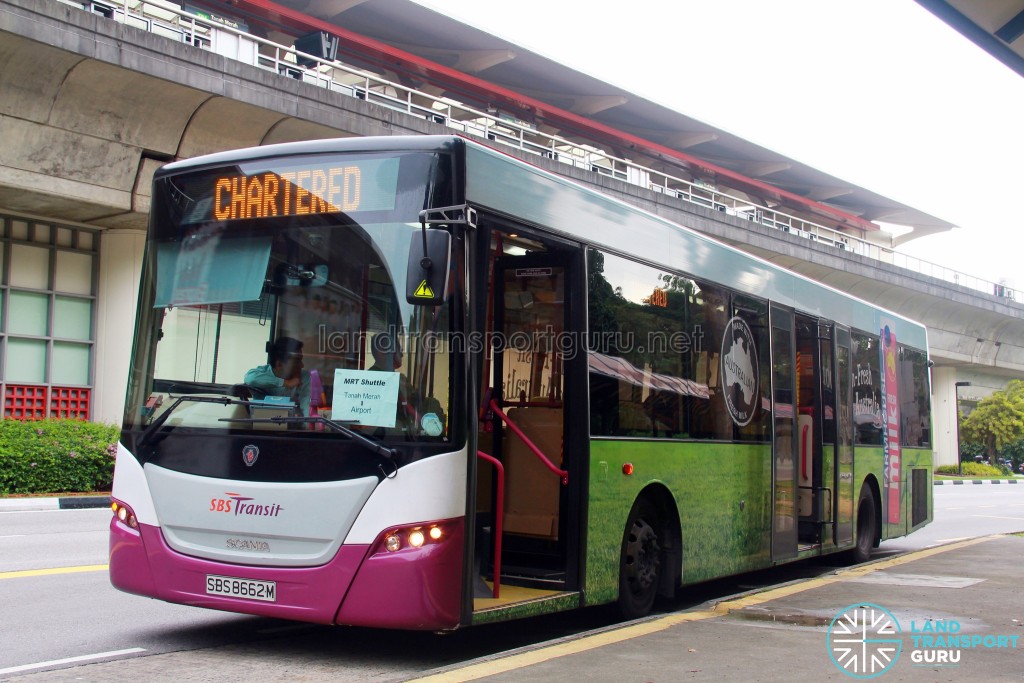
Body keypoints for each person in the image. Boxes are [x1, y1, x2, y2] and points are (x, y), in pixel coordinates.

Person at [244, 336, 311, 416]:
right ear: (279, 364)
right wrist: (285, 383)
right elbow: (250, 379)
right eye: (297, 361)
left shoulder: (304, 377)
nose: (302, 365)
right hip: (261, 423)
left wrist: (307, 426)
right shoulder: (262, 373)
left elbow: (306, 408)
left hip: (292, 425)